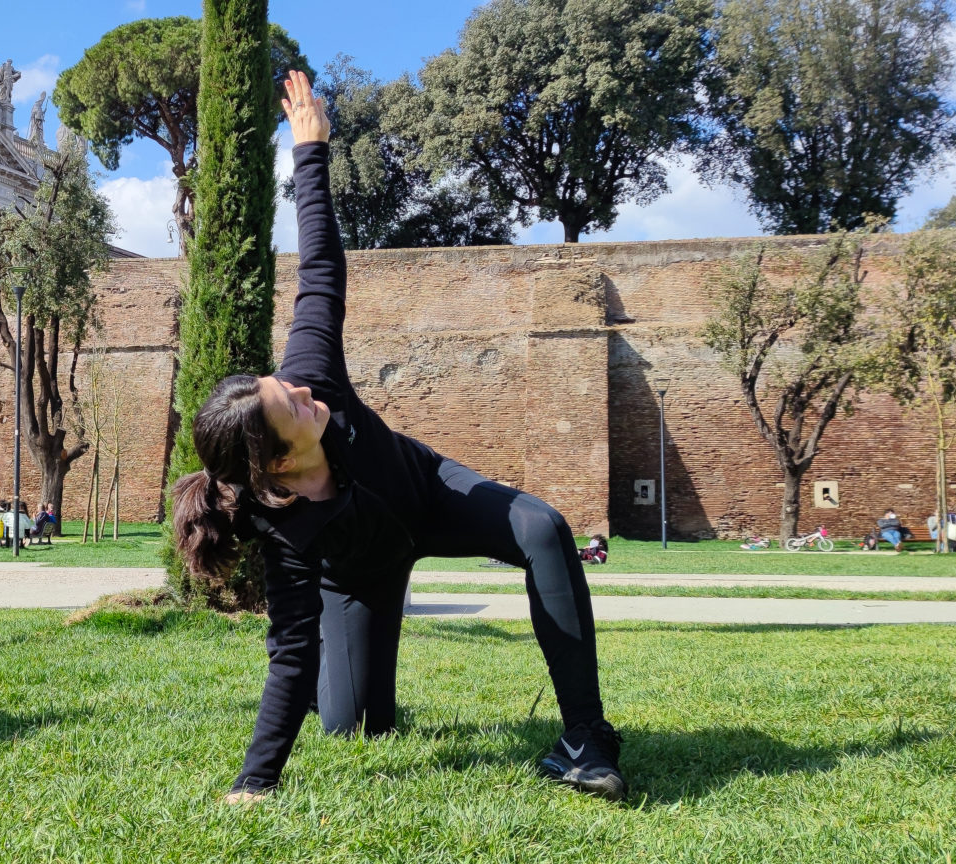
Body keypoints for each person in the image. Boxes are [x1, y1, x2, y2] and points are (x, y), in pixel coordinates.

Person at [171, 71, 625, 805]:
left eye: (287, 384)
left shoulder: (311, 373)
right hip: (357, 575)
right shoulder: (280, 531)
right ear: (281, 464)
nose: (308, 392)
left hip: (429, 495)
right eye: (295, 406)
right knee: (355, 725)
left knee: (543, 528)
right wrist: (256, 782)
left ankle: (585, 739)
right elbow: (290, 650)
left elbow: (319, 273)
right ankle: (349, 698)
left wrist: (310, 154)